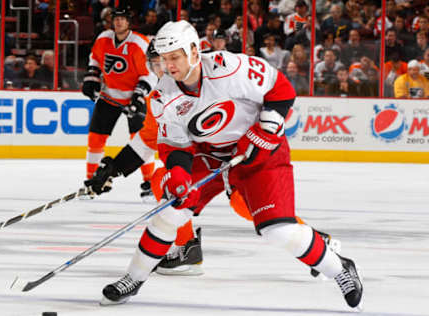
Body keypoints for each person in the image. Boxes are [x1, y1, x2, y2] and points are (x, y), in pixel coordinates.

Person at [94, 20, 363, 310]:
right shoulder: (162, 95)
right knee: (170, 211)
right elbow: (175, 145)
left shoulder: (230, 68)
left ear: (194, 52)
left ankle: (340, 269)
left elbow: (281, 90)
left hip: (261, 153)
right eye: (163, 59)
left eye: (175, 57)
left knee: (277, 230)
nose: (168, 66)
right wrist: (180, 174)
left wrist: (263, 131)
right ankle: (134, 278)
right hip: (209, 156)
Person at [82, 5, 157, 200]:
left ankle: (149, 183)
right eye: (116, 18)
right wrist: (92, 77)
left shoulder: (139, 43)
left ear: (129, 22)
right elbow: (96, 59)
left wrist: (139, 97)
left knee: (141, 142)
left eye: (123, 18)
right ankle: (92, 182)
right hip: (109, 96)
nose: (118, 21)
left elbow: (149, 74)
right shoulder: (104, 38)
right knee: (95, 139)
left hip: (134, 97)